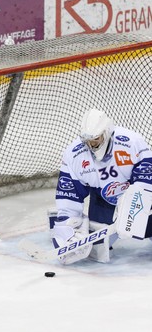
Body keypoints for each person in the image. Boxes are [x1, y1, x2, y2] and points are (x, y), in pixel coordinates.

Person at [49, 108, 152, 264]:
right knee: (96, 252)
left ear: (107, 131)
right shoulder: (74, 154)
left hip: (135, 197)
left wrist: (132, 210)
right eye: (87, 140)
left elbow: (147, 178)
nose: (91, 145)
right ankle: (55, 220)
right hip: (104, 200)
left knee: (140, 227)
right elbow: (69, 194)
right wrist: (66, 226)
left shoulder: (131, 142)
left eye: (96, 139)